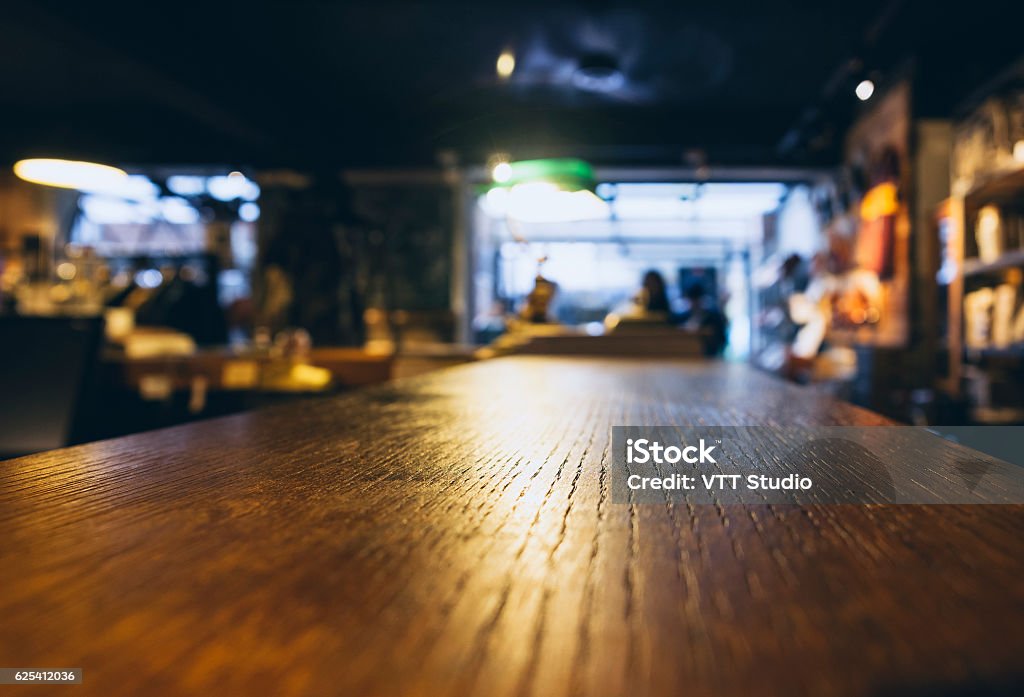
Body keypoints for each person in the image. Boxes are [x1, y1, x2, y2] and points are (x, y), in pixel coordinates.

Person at [678, 282, 727, 356]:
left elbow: (721, 340)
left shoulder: (714, 318)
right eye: (692, 299)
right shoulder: (682, 317)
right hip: (685, 357)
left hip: (709, 358)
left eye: (696, 299)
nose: (694, 303)